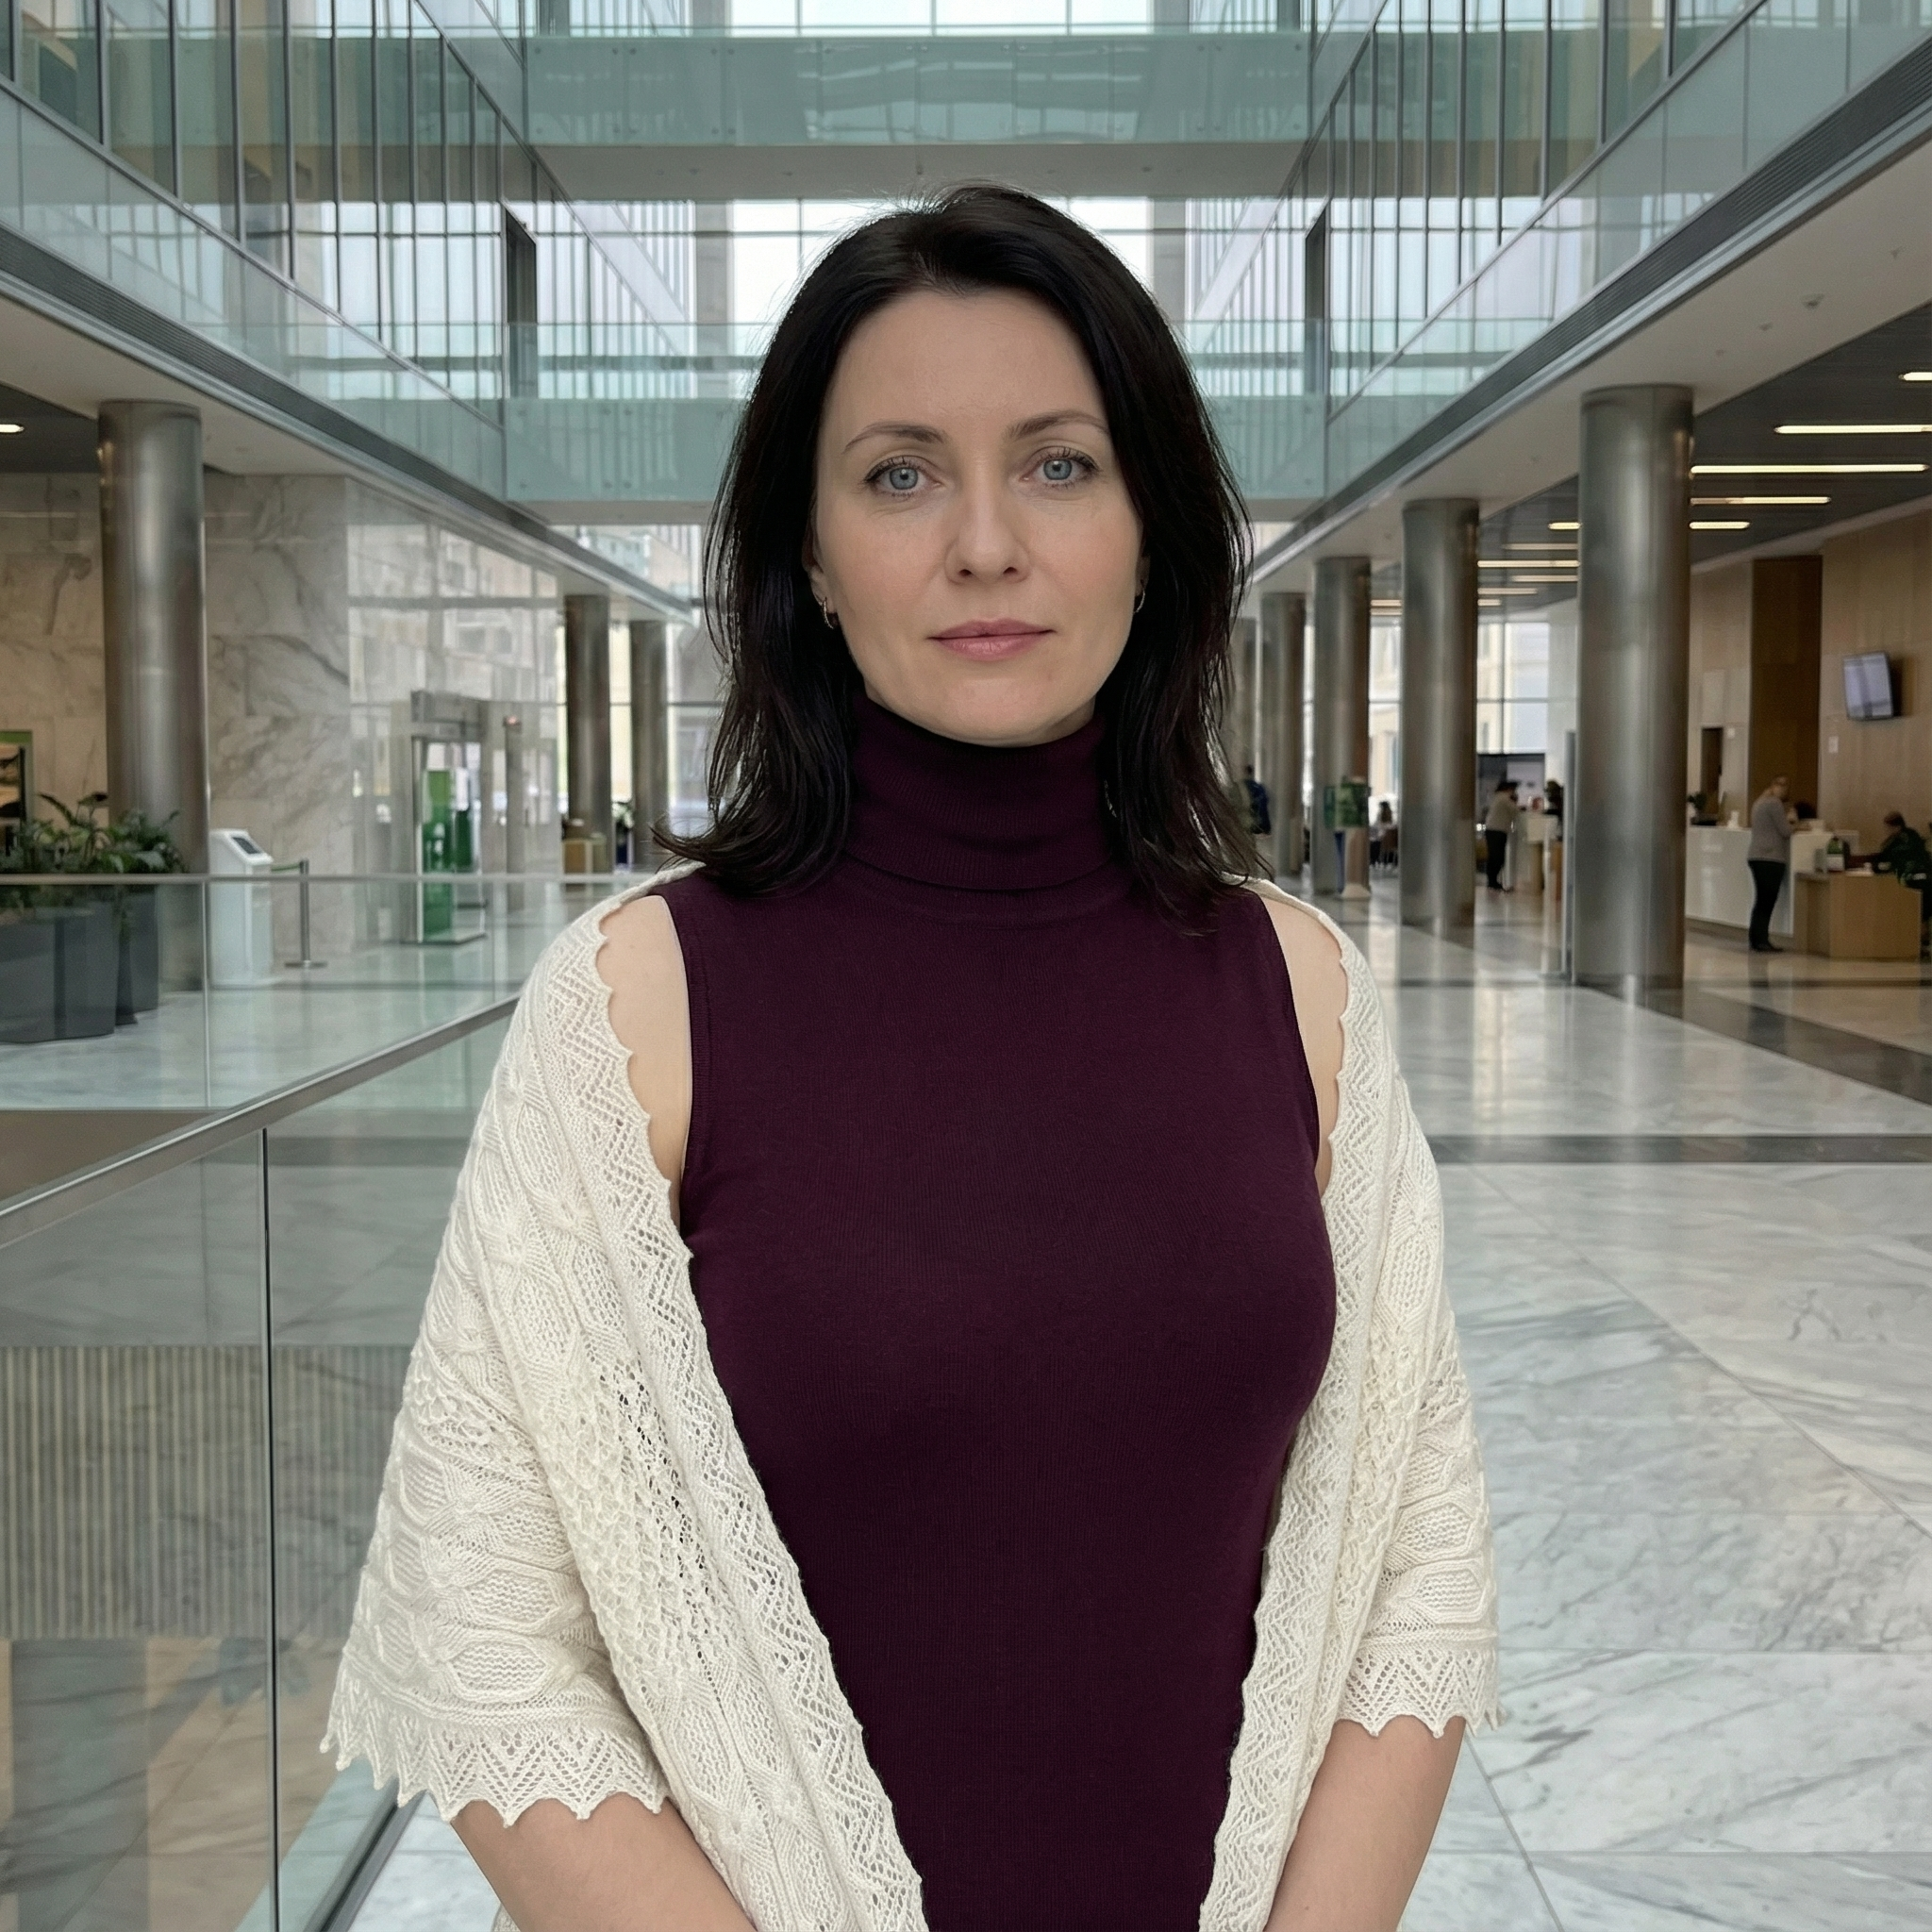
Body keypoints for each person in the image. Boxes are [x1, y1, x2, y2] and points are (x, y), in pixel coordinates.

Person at [325, 187, 1496, 1932]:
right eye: (898, 475)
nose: (984, 544)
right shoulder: (639, 1000)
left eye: (1058, 464)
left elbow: (1412, 1556)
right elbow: (484, 1638)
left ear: (1153, 527)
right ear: (805, 554)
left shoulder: (1299, 984)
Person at [1864, 810, 1932, 954]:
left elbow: (1891, 861)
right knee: (1922, 911)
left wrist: (1878, 867)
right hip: (1925, 879)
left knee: (1916, 908)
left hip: (1912, 881)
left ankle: (1918, 940)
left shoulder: (1899, 842)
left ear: (1896, 826)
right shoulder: (1912, 836)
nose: (1886, 830)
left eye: (1888, 827)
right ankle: (1922, 940)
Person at [1747, 775, 1795, 954]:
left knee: (1760, 900)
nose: (1785, 790)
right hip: (1770, 858)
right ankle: (1762, 940)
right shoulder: (1774, 803)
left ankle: (1756, 938)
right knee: (1767, 901)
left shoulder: (1759, 802)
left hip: (1756, 855)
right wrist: (1793, 821)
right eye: (1784, 786)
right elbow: (1785, 831)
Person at [1483, 779, 1518, 890]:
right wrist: (1515, 801)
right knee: (1497, 857)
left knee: (1493, 856)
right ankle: (1493, 881)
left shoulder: (1497, 797)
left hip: (1492, 829)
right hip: (1497, 830)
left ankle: (1492, 881)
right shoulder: (1504, 798)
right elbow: (1515, 811)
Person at [1241, 759, 1273, 837]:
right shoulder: (1258, 788)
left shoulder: (1239, 788)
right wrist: (1266, 828)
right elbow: (1263, 808)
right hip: (1255, 823)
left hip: (1243, 823)